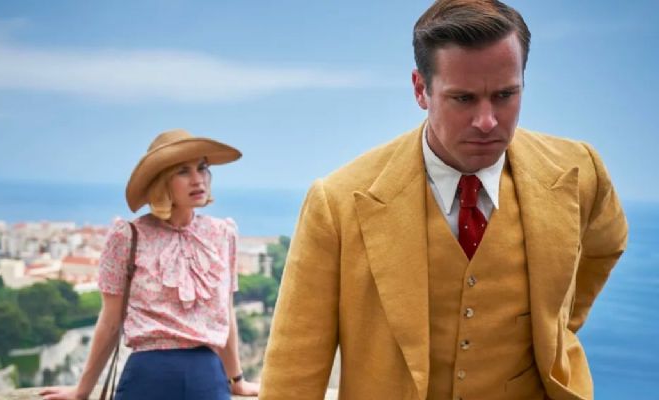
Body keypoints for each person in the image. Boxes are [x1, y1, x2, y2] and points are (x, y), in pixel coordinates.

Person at [259, 1, 628, 399]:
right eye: (463, 99)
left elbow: (606, 246)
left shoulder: (580, 170)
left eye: (505, 95)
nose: (487, 121)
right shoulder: (336, 203)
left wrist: (556, 326)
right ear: (421, 89)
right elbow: (293, 371)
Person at [41, 129, 260, 399]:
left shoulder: (223, 234)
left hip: (208, 379)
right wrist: (82, 391)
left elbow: (226, 313)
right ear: (161, 182)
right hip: (147, 378)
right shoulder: (128, 236)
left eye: (202, 168)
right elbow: (110, 321)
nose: (197, 179)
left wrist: (236, 380)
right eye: (183, 171)